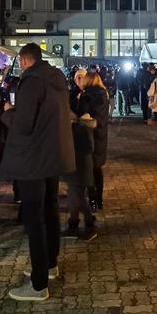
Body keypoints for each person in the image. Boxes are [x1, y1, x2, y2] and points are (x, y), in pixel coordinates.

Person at [0, 43, 75, 302]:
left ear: (23, 60)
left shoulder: (31, 83)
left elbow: (23, 125)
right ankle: (49, 264)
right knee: (50, 209)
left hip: (33, 159)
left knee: (35, 218)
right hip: (52, 155)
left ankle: (38, 284)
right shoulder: (56, 80)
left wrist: (7, 114)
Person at [63, 75, 100, 241]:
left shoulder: (81, 128)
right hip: (76, 164)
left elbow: (86, 148)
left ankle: (82, 224)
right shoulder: (80, 126)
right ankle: (82, 222)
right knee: (76, 194)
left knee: (76, 194)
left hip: (79, 164)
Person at [80, 71, 110, 212]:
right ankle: (100, 199)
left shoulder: (86, 95)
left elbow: (82, 115)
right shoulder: (104, 94)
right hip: (102, 133)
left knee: (88, 168)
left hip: (88, 134)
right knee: (97, 168)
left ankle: (92, 199)